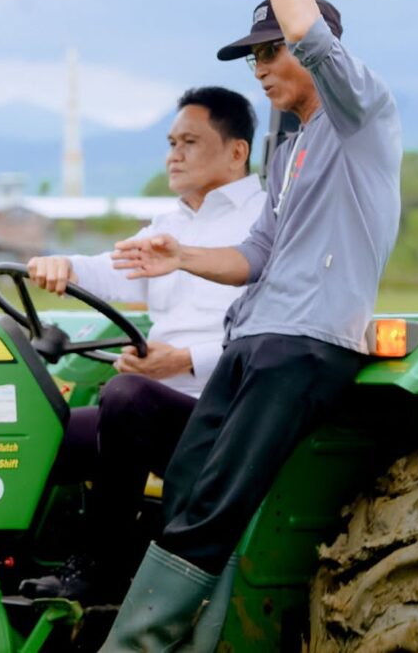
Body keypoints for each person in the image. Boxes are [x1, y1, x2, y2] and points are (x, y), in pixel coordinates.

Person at [99, 0, 403, 651]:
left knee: (211, 508)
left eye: (269, 52)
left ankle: (135, 645)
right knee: (186, 497)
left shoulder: (359, 112)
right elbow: (254, 256)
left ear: (308, 50)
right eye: (256, 55)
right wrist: (180, 255)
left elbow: (309, 28)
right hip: (255, 339)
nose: (260, 69)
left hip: (305, 343)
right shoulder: (294, 148)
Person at [20, 86, 266, 605]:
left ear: (236, 151)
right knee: (37, 427)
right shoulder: (170, 224)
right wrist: (63, 265)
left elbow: (274, 334)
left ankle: (103, 568)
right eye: (172, 142)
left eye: (190, 142)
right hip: (158, 399)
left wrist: (183, 360)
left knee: (126, 395)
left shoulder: (265, 224)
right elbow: (111, 273)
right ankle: (12, 558)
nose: (174, 154)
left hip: (220, 411)